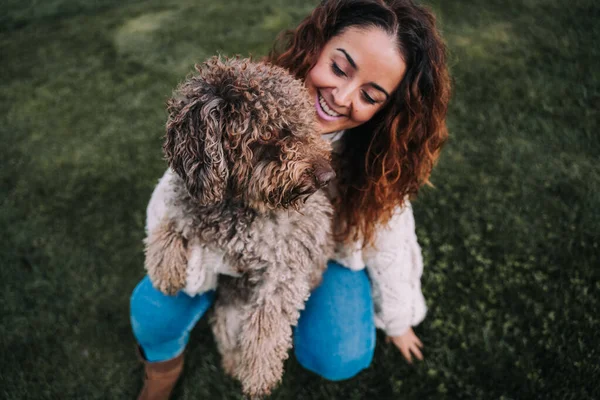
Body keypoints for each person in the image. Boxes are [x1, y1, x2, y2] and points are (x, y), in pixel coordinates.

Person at [129, 0, 450, 398]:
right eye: (339, 68)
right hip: (218, 244)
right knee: (154, 307)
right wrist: (211, 264)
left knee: (340, 355)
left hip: (322, 256)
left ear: (388, 107)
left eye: (370, 95)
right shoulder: (251, 98)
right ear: (318, 43)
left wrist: (399, 318)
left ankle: (272, 317)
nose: (342, 97)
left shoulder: (375, 156)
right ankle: (162, 368)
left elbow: (391, 235)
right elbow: (177, 195)